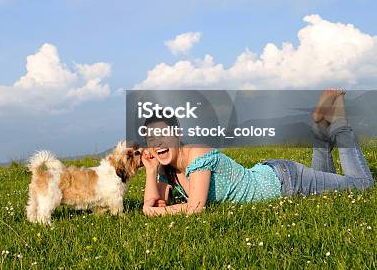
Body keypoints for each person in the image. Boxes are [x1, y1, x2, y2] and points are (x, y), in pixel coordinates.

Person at [141, 89, 374, 216]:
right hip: (275, 174)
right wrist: (151, 171)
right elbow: (154, 202)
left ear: (178, 135)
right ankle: (321, 127)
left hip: (287, 181)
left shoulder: (198, 154)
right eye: (151, 139)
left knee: (362, 185)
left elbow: (195, 207)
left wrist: (154, 213)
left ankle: (340, 122)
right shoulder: (166, 168)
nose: (157, 142)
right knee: (332, 186)